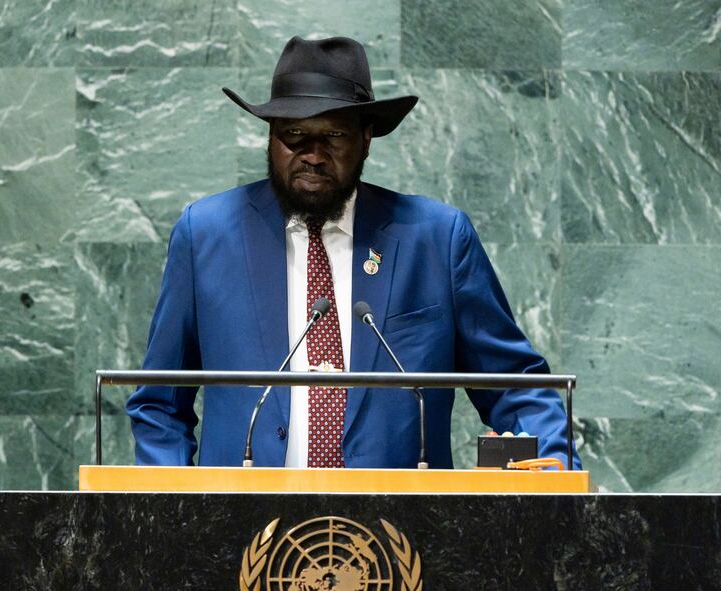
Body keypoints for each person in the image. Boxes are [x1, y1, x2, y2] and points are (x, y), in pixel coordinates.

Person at [126, 36, 581, 470]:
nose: (313, 155)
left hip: (400, 535)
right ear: (270, 135)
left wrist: (554, 469)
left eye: (335, 137)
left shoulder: (437, 239)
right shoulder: (206, 234)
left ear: (367, 138)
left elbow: (514, 387)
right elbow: (158, 402)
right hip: (243, 535)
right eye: (295, 135)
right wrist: (177, 510)